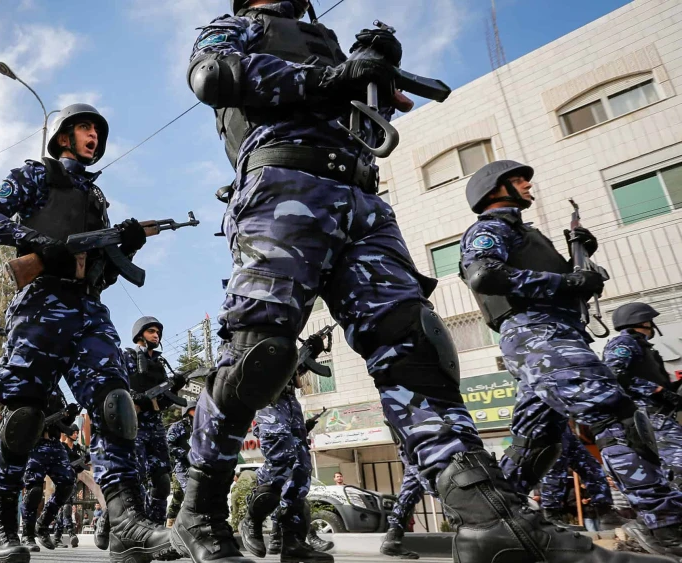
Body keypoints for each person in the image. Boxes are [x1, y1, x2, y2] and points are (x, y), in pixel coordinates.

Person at [179, 3, 665, 563]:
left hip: (362, 199)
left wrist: (374, 74)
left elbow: (368, 117)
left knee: (414, 353)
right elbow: (213, 75)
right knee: (259, 354)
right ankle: (202, 509)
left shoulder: (327, 38)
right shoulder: (238, 25)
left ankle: (490, 520)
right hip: (283, 183)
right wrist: (335, 76)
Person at [0, 102, 171, 563]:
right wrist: (39, 242)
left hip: (88, 309)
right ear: (63, 137)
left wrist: (124, 245)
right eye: (85, 127)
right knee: (22, 415)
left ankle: (124, 522)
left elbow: (99, 274)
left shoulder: (98, 201)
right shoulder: (36, 176)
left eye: (97, 130)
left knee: (116, 404)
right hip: (40, 303)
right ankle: (1, 525)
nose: (93, 136)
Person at [461, 158, 682, 559]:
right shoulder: (491, 228)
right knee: (615, 414)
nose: (529, 186)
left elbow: (559, 284)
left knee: (535, 444)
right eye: (518, 180)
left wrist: (581, 262)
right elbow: (484, 275)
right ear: (495, 189)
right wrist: (567, 281)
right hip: (537, 336)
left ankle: (489, 525)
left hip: (552, 338)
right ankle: (666, 526)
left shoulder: (525, 234)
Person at [239, 333, 331, 563]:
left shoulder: (288, 327)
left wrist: (308, 353)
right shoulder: (253, 325)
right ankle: (251, 518)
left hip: (290, 403)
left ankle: (293, 542)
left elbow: (295, 374)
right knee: (281, 459)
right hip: (269, 401)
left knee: (301, 471)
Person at [603, 303, 682, 489]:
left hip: (659, 414)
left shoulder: (641, 346)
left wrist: (672, 390)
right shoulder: (624, 342)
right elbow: (614, 372)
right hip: (649, 415)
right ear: (644, 321)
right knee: (677, 464)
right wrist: (656, 391)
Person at [124, 317, 188, 526]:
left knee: (162, 481)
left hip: (155, 427)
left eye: (158, 332)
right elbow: (114, 385)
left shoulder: (159, 364)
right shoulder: (127, 357)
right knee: (136, 477)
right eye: (151, 331)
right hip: (134, 425)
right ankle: (130, 523)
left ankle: (157, 526)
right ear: (140, 334)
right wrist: (134, 396)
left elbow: (162, 403)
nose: (156, 335)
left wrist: (175, 388)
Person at [539, 424, 629, 530]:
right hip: (546, 428)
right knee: (556, 467)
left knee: (592, 467)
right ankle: (551, 515)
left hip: (564, 429)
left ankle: (605, 511)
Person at [21, 390, 79, 552]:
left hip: (54, 444)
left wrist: (71, 415)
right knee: (34, 490)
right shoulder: (33, 386)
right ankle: (27, 534)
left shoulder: (58, 394)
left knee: (67, 483)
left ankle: (43, 524)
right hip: (36, 443)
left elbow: (65, 423)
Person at [55, 424, 89, 548]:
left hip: (72, 480)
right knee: (67, 506)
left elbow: (80, 468)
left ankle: (57, 537)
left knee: (64, 507)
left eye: (77, 432)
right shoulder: (62, 447)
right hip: (62, 480)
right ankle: (71, 533)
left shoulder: (77, 449)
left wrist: (83, 460)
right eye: (74, 432)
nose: (76, 434)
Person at [166, 401, 196, 527]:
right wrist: (185, 453)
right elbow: (169, 445)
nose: (195, 412)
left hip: (198, 466)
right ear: (186, 412)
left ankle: (182, 522)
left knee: (183, 494)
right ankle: (173, 521)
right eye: (192, 410)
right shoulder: (177, 427)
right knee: (185, 494)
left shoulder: (202, 426)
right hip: (182, 467)